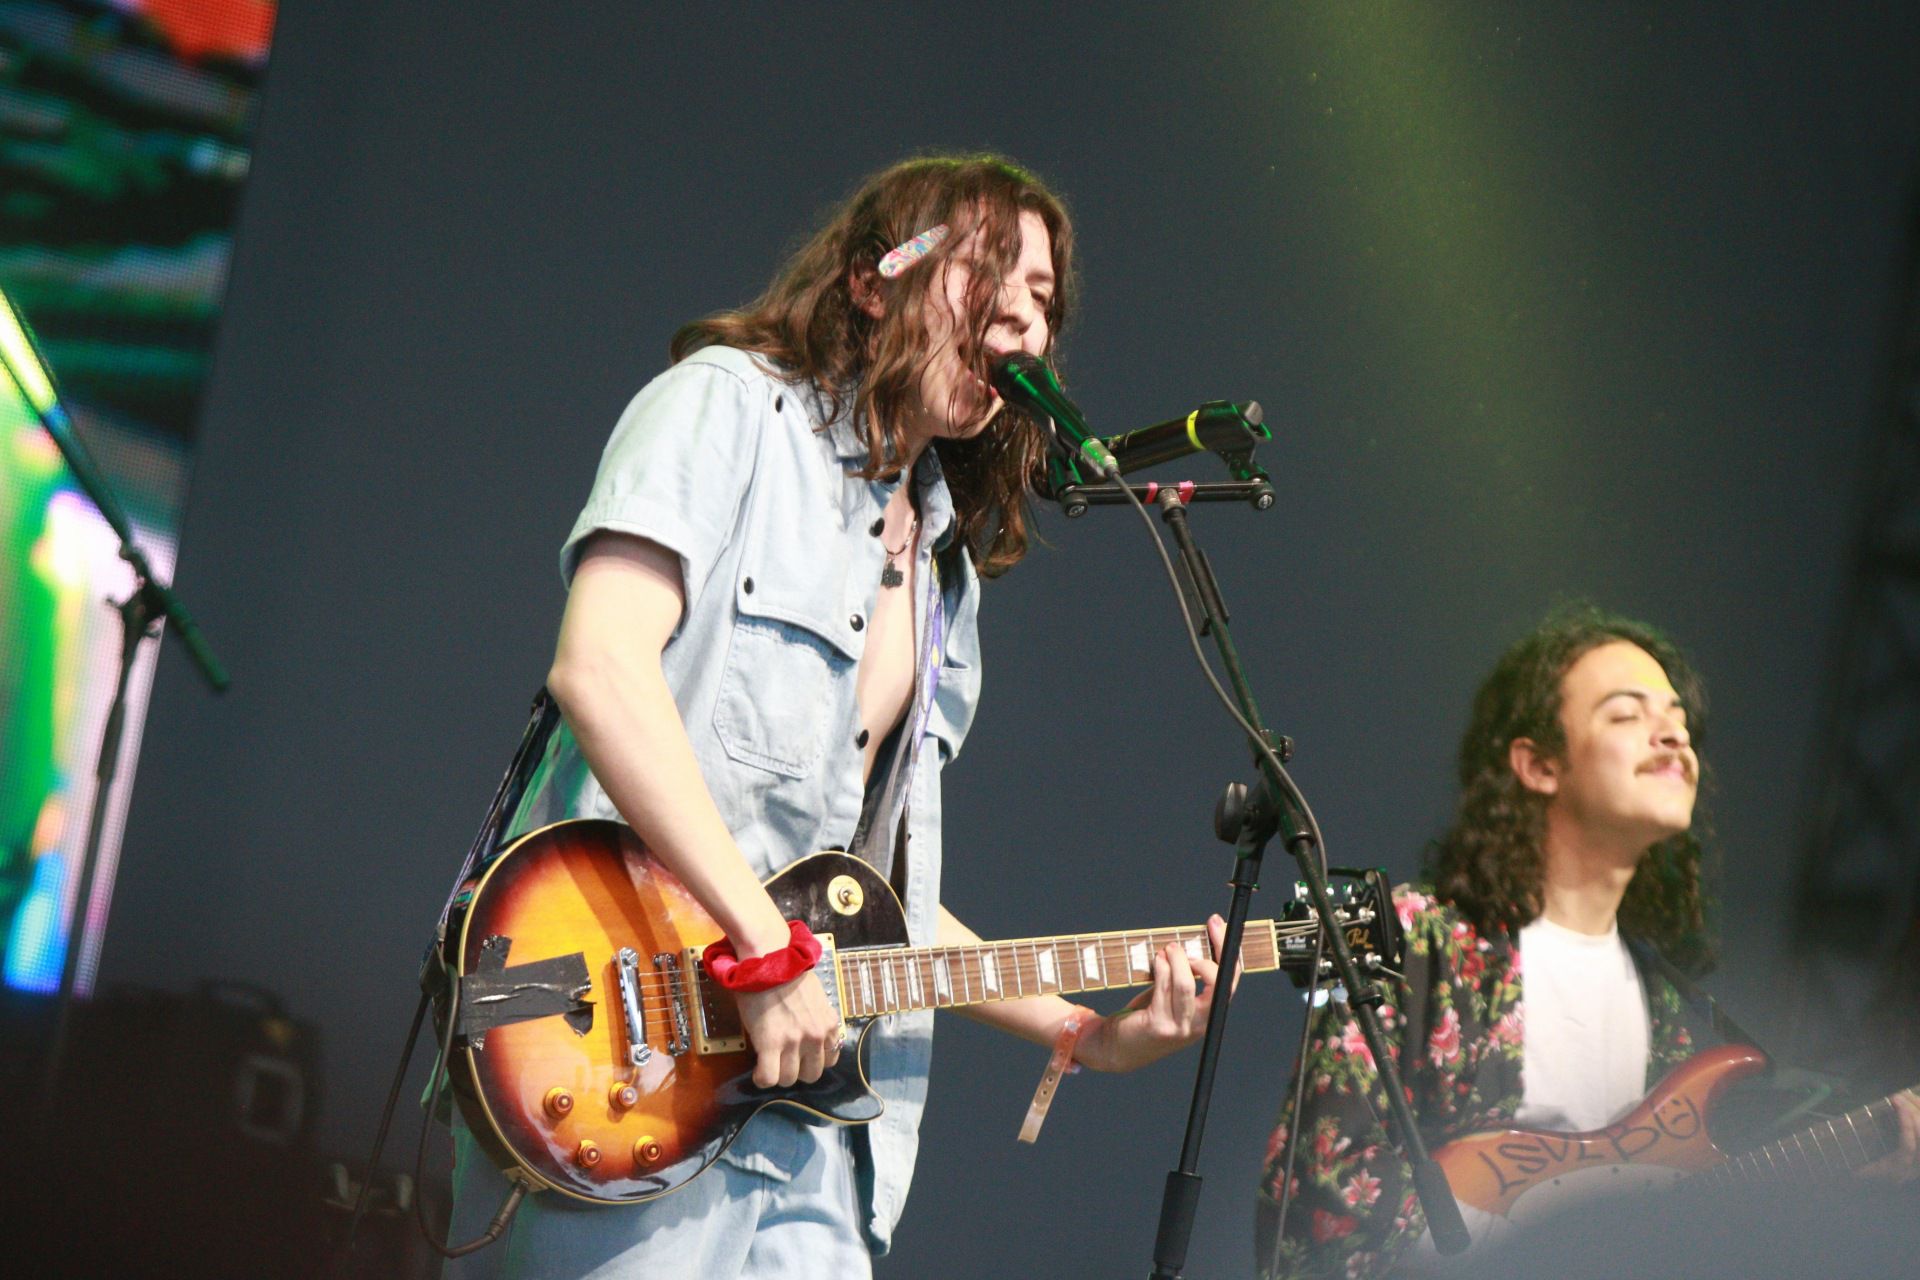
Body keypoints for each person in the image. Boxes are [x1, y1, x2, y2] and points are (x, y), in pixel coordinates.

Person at [442, 153, 1230, 1279]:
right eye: (988, 273)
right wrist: (763, 953)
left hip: (818, 1144)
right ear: (874, 280)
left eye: (1044, 300)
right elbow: (600, 668)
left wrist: (1086, 1034)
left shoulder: (943, 580)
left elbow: (876, 901)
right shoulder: (725, 408)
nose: (1022, 313)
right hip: (623, 1060)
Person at [1254, 605, 1920, 1279]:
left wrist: (1857, 1174)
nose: (1672, 738)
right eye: (1628, 715)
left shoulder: (1675, 1012)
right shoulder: (1416, 937)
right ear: (1539, 764)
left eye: (1679, 721)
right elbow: (1320, 1195)